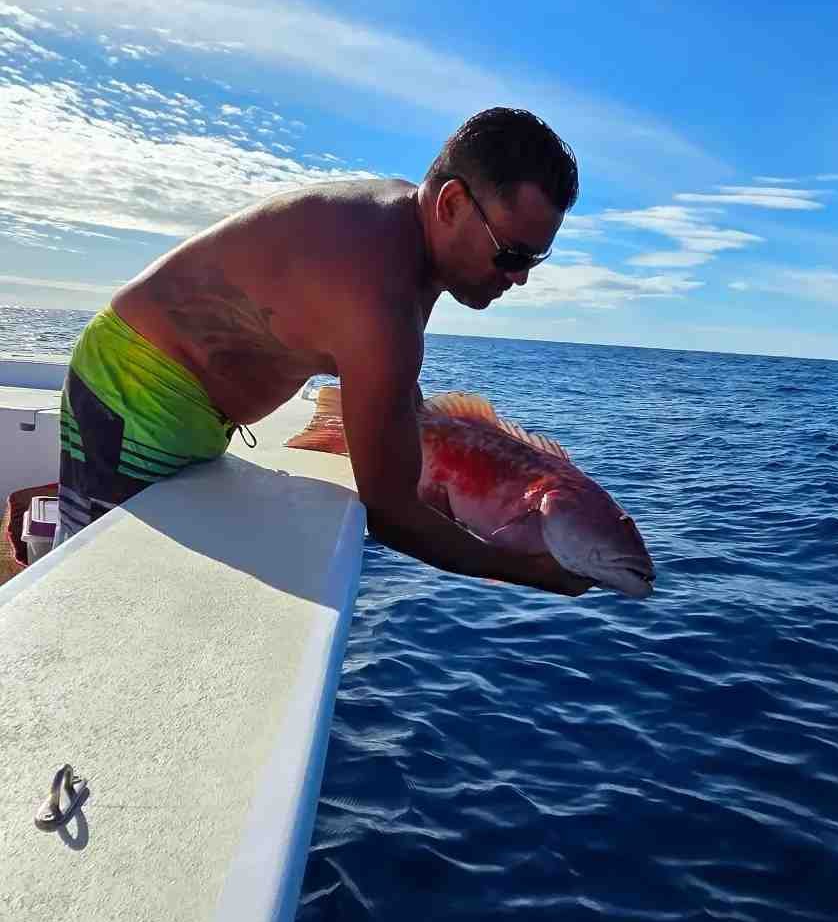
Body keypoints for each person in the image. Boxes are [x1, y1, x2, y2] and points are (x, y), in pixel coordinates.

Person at [56, 106, 589, 594]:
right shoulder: (379, 294)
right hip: (135, 396)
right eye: (512, 254)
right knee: (97, 594)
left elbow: (398, 399)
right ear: (450, 204)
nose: (519, 278)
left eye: (534, 260)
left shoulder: (406, 236)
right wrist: (524, 569)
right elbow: (390, 511)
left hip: (170, 402)